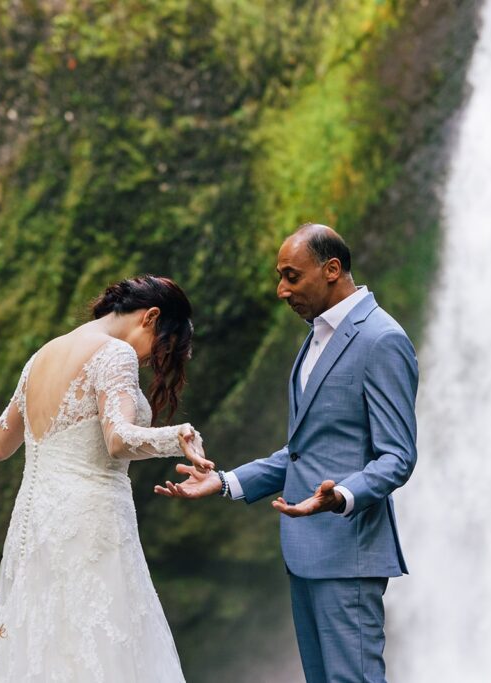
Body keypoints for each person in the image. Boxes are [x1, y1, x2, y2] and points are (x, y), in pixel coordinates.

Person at [0, 275, 214, 682]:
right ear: (151, 317)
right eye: (160, 350)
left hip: (35, 526)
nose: (149, 362)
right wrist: (179, 436)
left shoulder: (43, 355)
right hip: (91, 523)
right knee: (99, 647)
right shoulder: (115, 353)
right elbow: (118, 440)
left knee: (43, 644)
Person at [158, 224, 419, 683]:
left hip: (348, 550)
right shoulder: (317, 337)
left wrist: (339, 496)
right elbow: (302, 453)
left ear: (332, 269)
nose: (281, 290)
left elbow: (397, 456)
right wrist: (225, 482)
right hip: (307, 552)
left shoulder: (382, 339)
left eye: (291, 276)